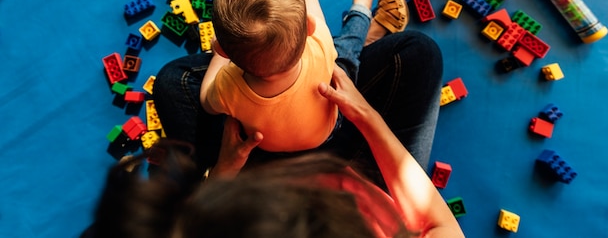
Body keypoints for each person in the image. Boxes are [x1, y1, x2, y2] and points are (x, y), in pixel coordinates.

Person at [83, 65, 464, 238]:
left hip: (269, 173)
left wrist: (225, 170)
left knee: (174, 84)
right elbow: (440, 225)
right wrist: (366, 116)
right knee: (416, 54)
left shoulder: (225, 217)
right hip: (361, 175)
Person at [198, 0, 408, 153]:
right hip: (329, 127)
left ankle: (363, 21)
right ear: (309, 26)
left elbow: (205, 101)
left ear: (223, 50)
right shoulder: (319, 42)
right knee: (347, 48)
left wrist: (218, 58)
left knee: (343, 49)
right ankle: (362, 10)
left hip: (273, 150)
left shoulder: (228, 88)